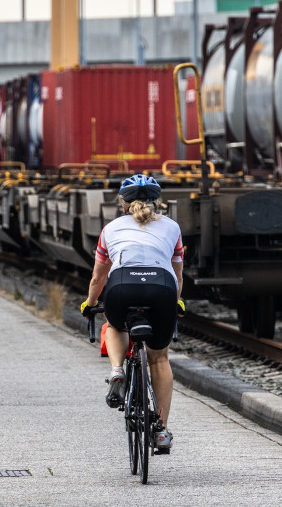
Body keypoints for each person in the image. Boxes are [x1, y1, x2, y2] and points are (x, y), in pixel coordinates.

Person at [80, 174, 185, 452]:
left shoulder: (110, 229)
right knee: (159, 358)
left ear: (123, 204)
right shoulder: (172, 227)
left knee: (115, 325)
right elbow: (177, 274)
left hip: (121, 287)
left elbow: (98, 278)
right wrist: (175, 302)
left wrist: (90, 303)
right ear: (158, 202)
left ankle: (117, 370)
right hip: (162, 288)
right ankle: (161, 430)